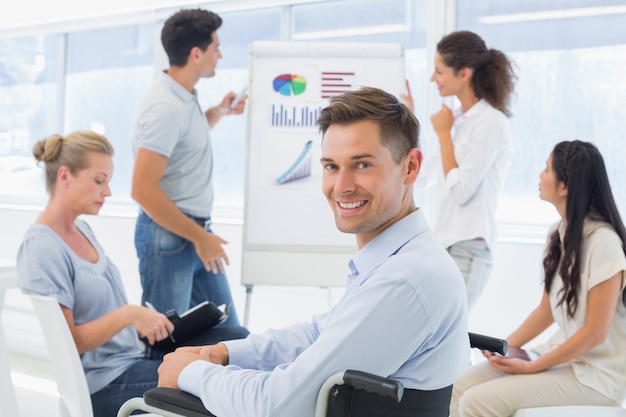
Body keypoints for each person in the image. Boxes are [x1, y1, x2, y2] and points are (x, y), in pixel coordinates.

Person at [156, 87, 469, 417]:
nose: (342, 186)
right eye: (331, 166)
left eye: (362, 164)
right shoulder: (403, 260)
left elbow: (279, 405)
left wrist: (190, 374)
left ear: (411, 167)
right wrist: (222, 353)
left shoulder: (404, 280)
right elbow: (319, 332)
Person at [16, 131, 249, 417]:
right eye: (99, 180)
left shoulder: (82, 230)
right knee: (221, 379)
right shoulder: (42, 246)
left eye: (108, 181)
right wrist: (128, 315)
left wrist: (144, 322)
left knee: (238, 341)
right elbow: (68, 342)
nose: (108, 192)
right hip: (107, 382)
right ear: (65, 177)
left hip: (135, 355)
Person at [450, 140, 626, 417]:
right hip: (563, 359)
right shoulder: (558, 234)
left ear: (564, 186)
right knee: (458, 387)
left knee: (476, 401)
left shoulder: (603, 243)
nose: (540, 176)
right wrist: (503, 348)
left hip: (595, 375)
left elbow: (596, 332)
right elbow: (546, 311)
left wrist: (534, 366)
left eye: (546, 169)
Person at [131, 8, 246, 326]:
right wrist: (199, 237)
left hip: (192, 234)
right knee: (166, 341)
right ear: (196, 54)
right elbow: (142, 189)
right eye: (215, 48)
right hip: (171, 238)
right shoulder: (165, 107)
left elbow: (184, 141)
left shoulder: (182, 96)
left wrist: (221, 111)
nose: (220, 55)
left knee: (229, 333)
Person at [402, 30, 517, 310]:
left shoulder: (491, 122)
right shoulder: (456, 119)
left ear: (464, 73)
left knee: (448, 334)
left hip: (469, 247)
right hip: (445, 244)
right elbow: (425, 175)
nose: (433, 79)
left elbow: (461, 190)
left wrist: (443, 135)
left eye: (439, 71)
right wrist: (407, 122)